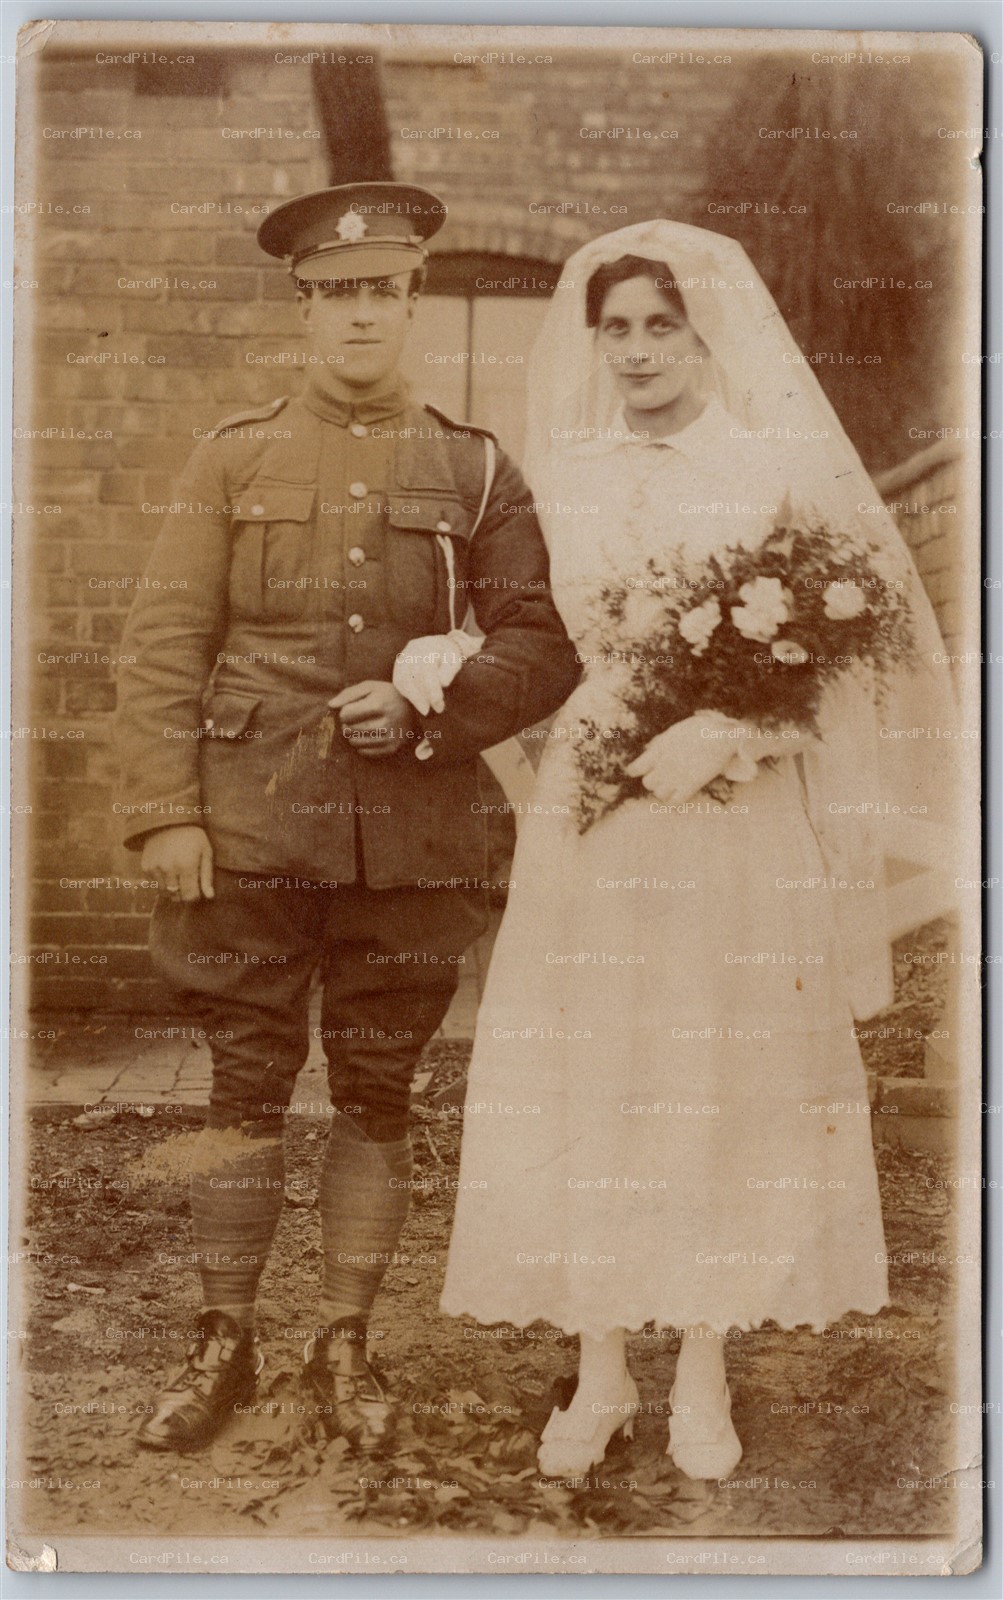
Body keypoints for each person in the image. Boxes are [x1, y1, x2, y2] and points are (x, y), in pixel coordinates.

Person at [438, 221, 956, 1480]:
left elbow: (835, 669)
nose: (633, 351)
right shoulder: (565, 475)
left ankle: (706, 1369)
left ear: (704, 333)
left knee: (719, 1072)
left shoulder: (773, 473)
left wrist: (735, 726)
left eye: (659, 325)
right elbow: (533, 636)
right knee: (597, 1064)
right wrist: (441, 667)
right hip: (599, 810)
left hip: (734, 816)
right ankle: (605, 1364)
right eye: (612, 327)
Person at [114, 183, 580, 1455]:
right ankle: (222, 1337)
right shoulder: (234, 454)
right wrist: (164, 813)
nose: (359, 316)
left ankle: (344, 1340)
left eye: (382, 292)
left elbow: (541, 640)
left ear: (413, 301)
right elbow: (163, 643)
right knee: (243, 1087)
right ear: (303, 309)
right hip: (249, 821)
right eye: (334, 295)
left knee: (379, 1090)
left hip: (418, 834)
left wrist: (439, 713)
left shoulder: (477, 467)